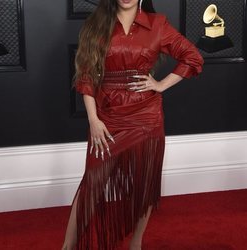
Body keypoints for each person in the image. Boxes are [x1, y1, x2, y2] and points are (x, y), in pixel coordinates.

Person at [62, 0, 204, 249]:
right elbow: (86, 76)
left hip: (146, 117)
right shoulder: (96, 23)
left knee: (144, 187)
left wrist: (159, 85)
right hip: (107, 117)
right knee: (92, 185)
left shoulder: (157, 24)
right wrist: (94, 120)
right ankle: (68, 246)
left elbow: (192, 57)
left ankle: (135, 244)